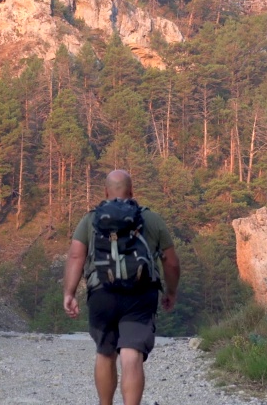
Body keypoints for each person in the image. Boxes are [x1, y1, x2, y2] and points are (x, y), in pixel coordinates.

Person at [63, 169, 181, 405]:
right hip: (140, 294)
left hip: (101, 294)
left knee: (105, 353)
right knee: (131, 355)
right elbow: (171, 261)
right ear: (132, 191)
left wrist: (70, 292)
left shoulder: (91, 219)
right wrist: (171, 291)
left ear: (106, 192)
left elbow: (76, 256)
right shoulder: (151, 218)